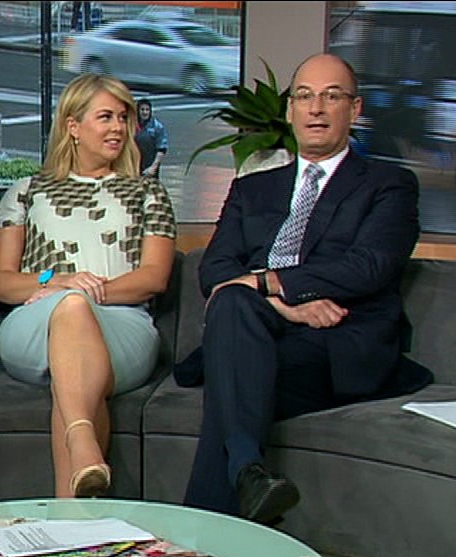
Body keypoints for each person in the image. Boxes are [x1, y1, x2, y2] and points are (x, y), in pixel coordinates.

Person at [181, 53, 434, 525]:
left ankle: (208, 529)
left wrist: (265, 282)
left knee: (233, 379)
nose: (316, 108)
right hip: (257, 328)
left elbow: (368, 267)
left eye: (331, 96)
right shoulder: (253, 188)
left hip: (335, 342)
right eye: (304, 96)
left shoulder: (389, 185)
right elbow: (214, 270)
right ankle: (248, 475)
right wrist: (284, 305)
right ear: (290, 110)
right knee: (232, 302)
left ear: (354, 109)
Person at [0, 73, 176, 498]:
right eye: (105, 117)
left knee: (73, 339)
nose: (118, 128)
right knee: (70, 309)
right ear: (72, 125)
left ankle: (72, 489)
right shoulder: (26, 192)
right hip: (35, 324)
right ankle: (84, 451)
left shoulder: (149, 193)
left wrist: (84, 293)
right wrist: (57, 281)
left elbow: (153, 278)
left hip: (122, 327)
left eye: (123, 118)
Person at [134, 98, 169, 179]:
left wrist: (153, 167)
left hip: (150, 167)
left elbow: (162, 149)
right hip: (134, 166)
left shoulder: (157, 126)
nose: (145, 112)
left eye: (147, 110)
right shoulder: (132, 125)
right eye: (142, 110)